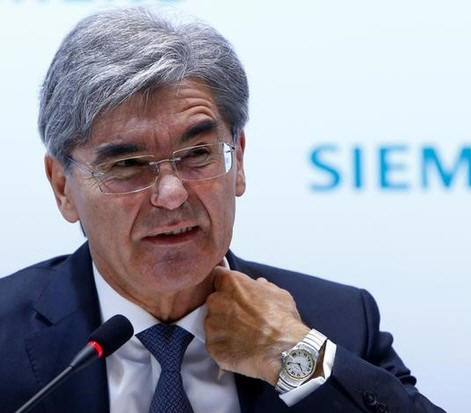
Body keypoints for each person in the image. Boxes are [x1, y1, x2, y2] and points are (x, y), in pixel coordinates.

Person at [0, 7, 445, 413]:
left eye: (198, 154)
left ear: (239, 160)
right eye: (128, 165)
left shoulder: (337, 320)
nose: (171, 194)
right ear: (63, 187)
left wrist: (292, 355)